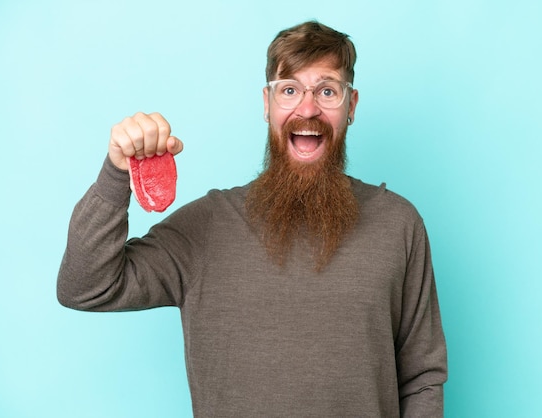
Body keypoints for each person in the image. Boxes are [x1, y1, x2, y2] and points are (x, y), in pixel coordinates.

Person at [58, 21, 448, 417]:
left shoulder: (398, 224)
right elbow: (85, 286)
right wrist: (116, 172)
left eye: (327, 90)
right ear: (267, 105)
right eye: (290, 90)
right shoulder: (206, 227)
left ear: (351, 106)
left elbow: (422, 378)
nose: (308, 108)